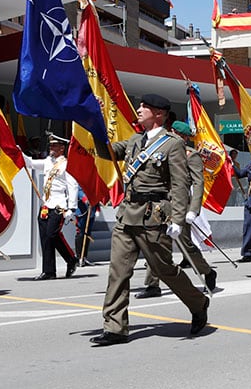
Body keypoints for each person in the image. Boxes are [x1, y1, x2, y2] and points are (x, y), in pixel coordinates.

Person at [89, 94, 209, 346]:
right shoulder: (135, 140)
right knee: (118, 272)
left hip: (152, 217)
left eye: (145, 107)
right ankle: (115, 327)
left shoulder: (172, 144)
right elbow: (106, 151)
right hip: (127, 214)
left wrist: (178, 218)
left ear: (159, 114)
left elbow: (179, 183)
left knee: (164, 269)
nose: (140, 110)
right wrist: (94, 119)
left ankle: (198, 303)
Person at [137, 120, 218, 298]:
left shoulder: (191, 155)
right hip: (160, 205)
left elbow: (198, 183)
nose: (180, 138)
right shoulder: (159, 150)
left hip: (180, 206)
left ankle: (207, 271)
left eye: (183, 137)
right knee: (154, 243)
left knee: (186, 245)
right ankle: (152, 285)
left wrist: (193, 209)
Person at [33, 134, 79, 280]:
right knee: (45, 237)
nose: (51, 148)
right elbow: (31, 163)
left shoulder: (67, 164)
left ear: (62, 148)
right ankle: (49, 271)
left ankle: (71, 258)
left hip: (59, 205)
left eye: (54, 145)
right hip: (46, 205)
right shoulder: (48, 162)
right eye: (50, 145)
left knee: (53, 234)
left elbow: (72, 186)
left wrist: (71, 208)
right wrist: (16, 152)